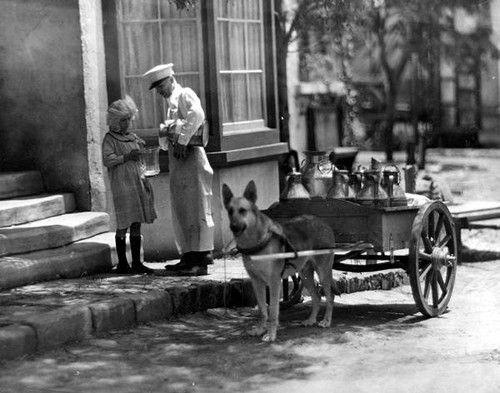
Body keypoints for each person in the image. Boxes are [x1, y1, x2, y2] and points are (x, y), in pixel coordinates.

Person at [143, 63, 214, 276]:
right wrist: (166, 133)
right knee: (182, 209)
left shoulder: (184, 94)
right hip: (179, 163)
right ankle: (187, 256)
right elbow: (168, 137)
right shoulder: (171, 104)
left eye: (161, 85)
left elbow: (197, 115)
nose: (160, 91)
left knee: (196, 208)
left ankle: (200, 259)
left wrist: (183, 141)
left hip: (192, 159)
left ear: (171, 80)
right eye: (157, 88)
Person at [102, 95, 157, 275]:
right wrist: (126, 157)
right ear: (115, 122)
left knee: (136, 222)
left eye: (128, 119)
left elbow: (140, 153)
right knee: (124, 222)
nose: (127, 124)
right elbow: (107, 160)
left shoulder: (131, 137)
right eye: (123, 120)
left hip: (136, 182)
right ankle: (123, 263)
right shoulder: (110, 139)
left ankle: (136, 263)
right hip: (122, 185)